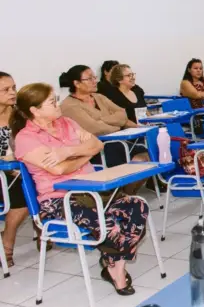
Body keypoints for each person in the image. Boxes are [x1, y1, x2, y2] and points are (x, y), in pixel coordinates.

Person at [11, 82, 150, 295]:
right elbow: (58, 170)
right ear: (35, 110)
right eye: (52, 102)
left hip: (91, 191)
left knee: (137, 206)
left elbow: (97, 144)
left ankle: (114, 264)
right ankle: (117, 271)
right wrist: (84, 154)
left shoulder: (66, 123)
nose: (58, 105)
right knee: (109, 224)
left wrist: (67, 152)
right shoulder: (26, 138)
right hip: (58, 200)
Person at [59, 66, 149, 193]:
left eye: (94, 77)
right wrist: (116, 124)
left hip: (116, 141)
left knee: (147, 156)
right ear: (77, 83)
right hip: (97, 148)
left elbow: (122, 114)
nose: (95, 81)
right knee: (131, 157)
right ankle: (120, 193)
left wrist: (102, 119)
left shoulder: (99, 97)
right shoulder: (69, 106)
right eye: (90, 79)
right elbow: (96, 129)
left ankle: (127, 192)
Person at [0, 72, 52, 266]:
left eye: (13, 88)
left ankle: (42, 229)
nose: (12, 93)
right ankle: (7, 244)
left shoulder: (21, 114)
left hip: (24, 167)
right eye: (6, 90)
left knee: (44, 180)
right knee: (22, 193)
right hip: (3, 172)